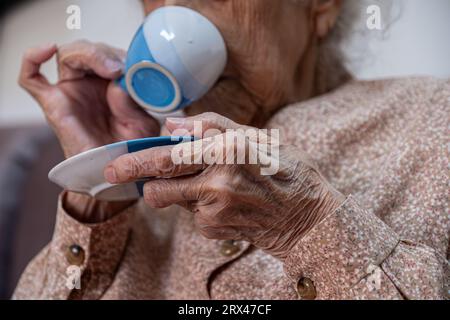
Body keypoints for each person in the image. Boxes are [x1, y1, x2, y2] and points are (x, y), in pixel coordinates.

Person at [13, 0, 449, 300]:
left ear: (321, 6)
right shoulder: (150, 157)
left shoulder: (434, 120)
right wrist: (99, 185)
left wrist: (305, 226)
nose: (175, 10)